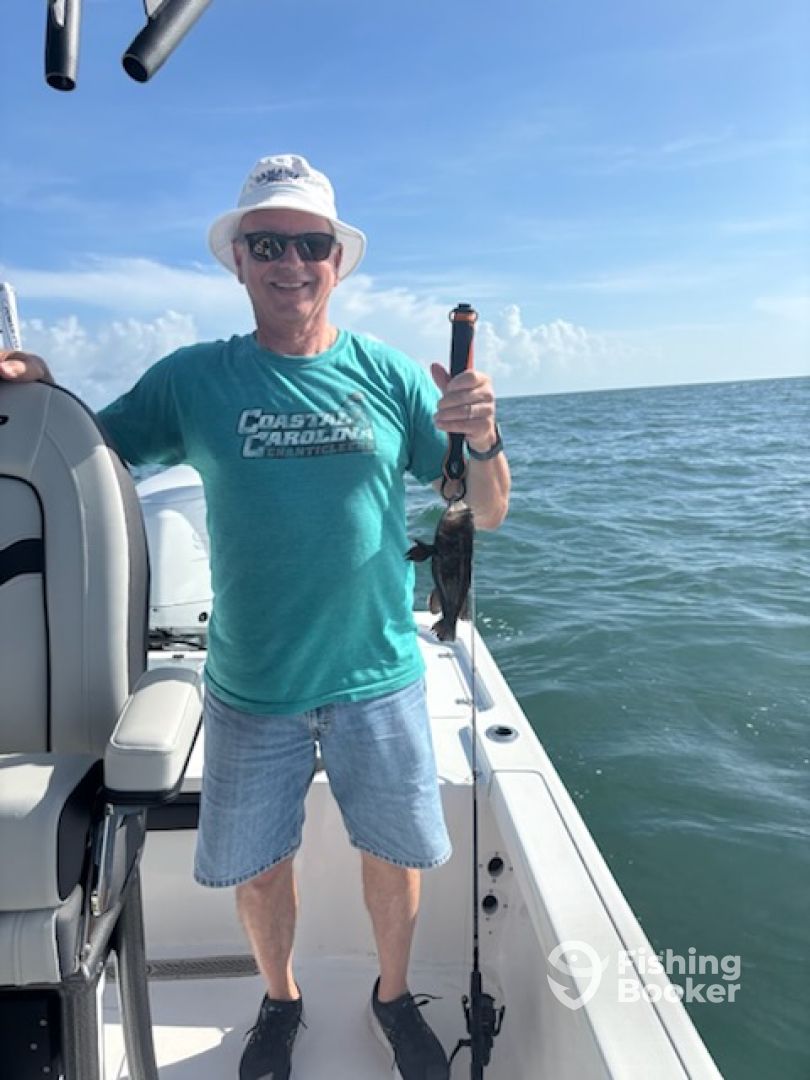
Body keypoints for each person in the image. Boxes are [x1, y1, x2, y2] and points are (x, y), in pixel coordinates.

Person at [0, 153, 510, 1080]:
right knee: (262, 867)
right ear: (238, 260)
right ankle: (281, 1000)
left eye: (309, 244)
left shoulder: (391, 375)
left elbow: (484, 507)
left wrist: (481, 438)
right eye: (267, 243)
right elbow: (84, 452)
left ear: (337, 261)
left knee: (393, 859)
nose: (290, 262)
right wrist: (37, 390)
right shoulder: (192, 380)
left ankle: (393, 997)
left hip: (379, 677)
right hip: (249, 686)